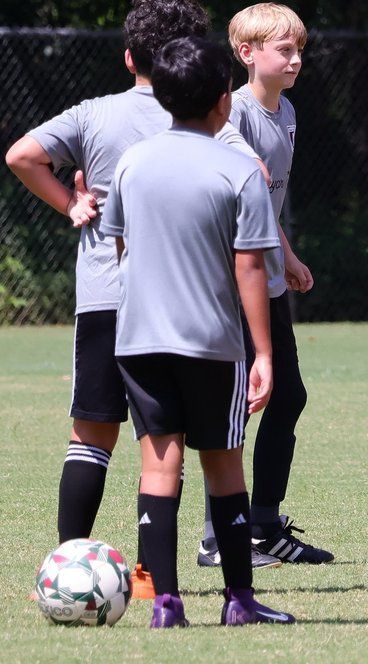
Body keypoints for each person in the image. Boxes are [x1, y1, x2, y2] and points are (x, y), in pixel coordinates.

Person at [4, 0, 240, 597]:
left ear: (129, 57)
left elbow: (22, 154)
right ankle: (150, 579)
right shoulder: (206, 117)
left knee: (90, 434)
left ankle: (62, 568)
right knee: (166, 443)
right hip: (183, 305)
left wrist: (71, 201)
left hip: (106, 296)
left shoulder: (95, 114)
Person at [104, 34, 294, 627]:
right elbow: (249, 267)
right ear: (223, 100)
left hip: (138, 342)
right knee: (223, 466)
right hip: (211, 342)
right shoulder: (239, 171)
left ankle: (165, 603)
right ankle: (238, 602)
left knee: (159, 466)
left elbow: (120, 245)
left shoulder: (133, 161)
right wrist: (263, 351)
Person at [197, 3, 332, 569]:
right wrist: (274, 251)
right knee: (238, 403)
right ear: (248, 54)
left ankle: (264, 524)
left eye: (300, 48)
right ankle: (216, 536)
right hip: (237, 280)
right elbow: (242, 186)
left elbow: (269, 202)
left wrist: (289, 254)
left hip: (271, 275)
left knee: (288, 395)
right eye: (285, 49)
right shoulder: (239, 113)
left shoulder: (289, 111)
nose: (296, 58)